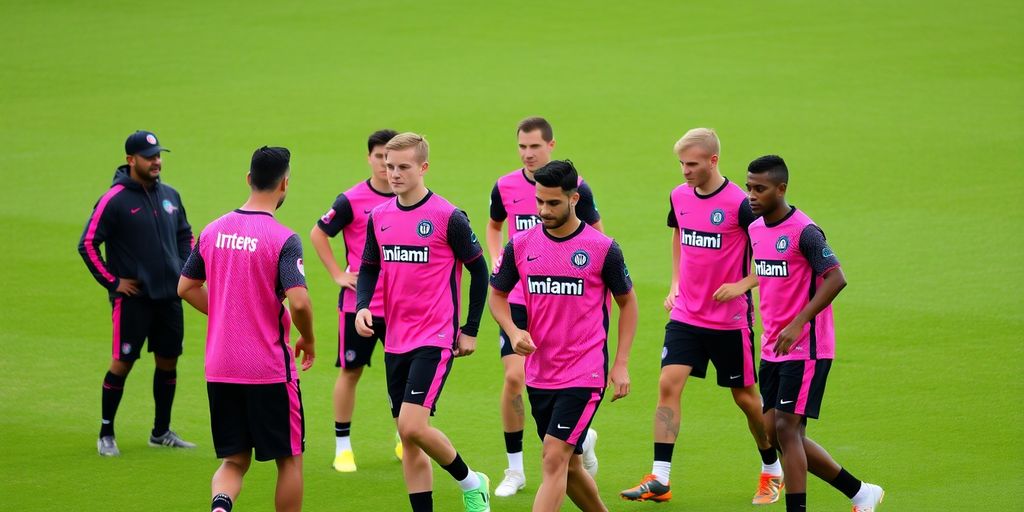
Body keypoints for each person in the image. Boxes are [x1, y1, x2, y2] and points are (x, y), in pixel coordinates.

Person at [621, 128, 778, 504]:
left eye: (692, 164)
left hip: (730, 321)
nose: (685, 171)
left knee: (745, 398)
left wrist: (743, 284)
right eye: (680, 164)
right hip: (687, 315)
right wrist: (675, 282)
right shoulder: (679, 196)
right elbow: (678, 234)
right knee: (668, 383)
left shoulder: (742, 204)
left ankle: (772, 469)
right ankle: (660, 478)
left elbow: (773, 256)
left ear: (713, 160)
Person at [490, 159, 637, 512]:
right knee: (569, 465)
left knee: (553, 457)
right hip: (540, 371)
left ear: (574, 199)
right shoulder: (521, 245)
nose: (543, 210)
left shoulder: (602, 248)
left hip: (584, 371)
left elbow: (627, 303)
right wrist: (512, 331)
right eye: (539, 201)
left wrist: (620, 364)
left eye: (553, 202)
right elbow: (496, 295)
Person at [354, 133, 491, 512]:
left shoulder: (448, 217)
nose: (393, 173)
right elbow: (368, 267)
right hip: (394, 338)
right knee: (407, 434)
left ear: (423, 168)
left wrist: (471, 329)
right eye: (388, 165)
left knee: (412, 425)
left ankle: (472, 483)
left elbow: (480, 273)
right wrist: (363, 305)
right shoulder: (378, 217)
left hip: (435, 336)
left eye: (403, 167)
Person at [741, 154, 884, 512]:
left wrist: (799, 321)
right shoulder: (756, 229)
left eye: (760, 189)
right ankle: (860, 492)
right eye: (749, 188)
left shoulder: (805, 231)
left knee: (788, 430)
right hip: (773, 346)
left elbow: (836, 277)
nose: (752, 196)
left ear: (781, 188)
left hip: (807, 347)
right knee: (773, 432)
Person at [178, 146, 315, 512]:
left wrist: (227, 313)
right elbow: (299, 302)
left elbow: (185, 287)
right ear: (285, 183)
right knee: (289, 460)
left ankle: (221, 507)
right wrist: (310, 339)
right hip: (268, 370)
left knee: (234, 461)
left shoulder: (212, 230)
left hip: (221, 367)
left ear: (249, 179)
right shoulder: (284, 238)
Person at [486, 117, 603, 497]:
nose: (527, 153)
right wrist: (498, 261)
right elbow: (494, 226)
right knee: (513, 379)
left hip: (558, 299)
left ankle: (577, 439)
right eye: (521, 146)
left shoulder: (575, 189)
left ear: (550, 146)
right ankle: (515, 469)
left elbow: (596, 237)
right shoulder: (504, 185)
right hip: (519, 299)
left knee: (558, 454)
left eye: (534, 146)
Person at [78, 130, 195, 456]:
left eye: (159, 155)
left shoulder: (171, 194)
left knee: (168, 362)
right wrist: (114, 283)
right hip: (133, 301)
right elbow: (87, 244)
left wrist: (185, 269)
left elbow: (186, 234)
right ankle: (106, 433)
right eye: (149, 157)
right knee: (123, 362)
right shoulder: (113, 199)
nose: (156, 161)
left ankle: (161, 432)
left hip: (169, 297)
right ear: (131, 160)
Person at [310, 129, 402, 472]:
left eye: (390, 158)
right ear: (369, 158)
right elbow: (319, 232)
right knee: (351, 371)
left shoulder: (407, 198)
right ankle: (343, 447)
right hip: (358, 306)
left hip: (400, 306)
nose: (384, 164)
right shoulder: (351, 200)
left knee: (403, 375)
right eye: (379, 157)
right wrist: (336, 273)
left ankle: (404, 438)